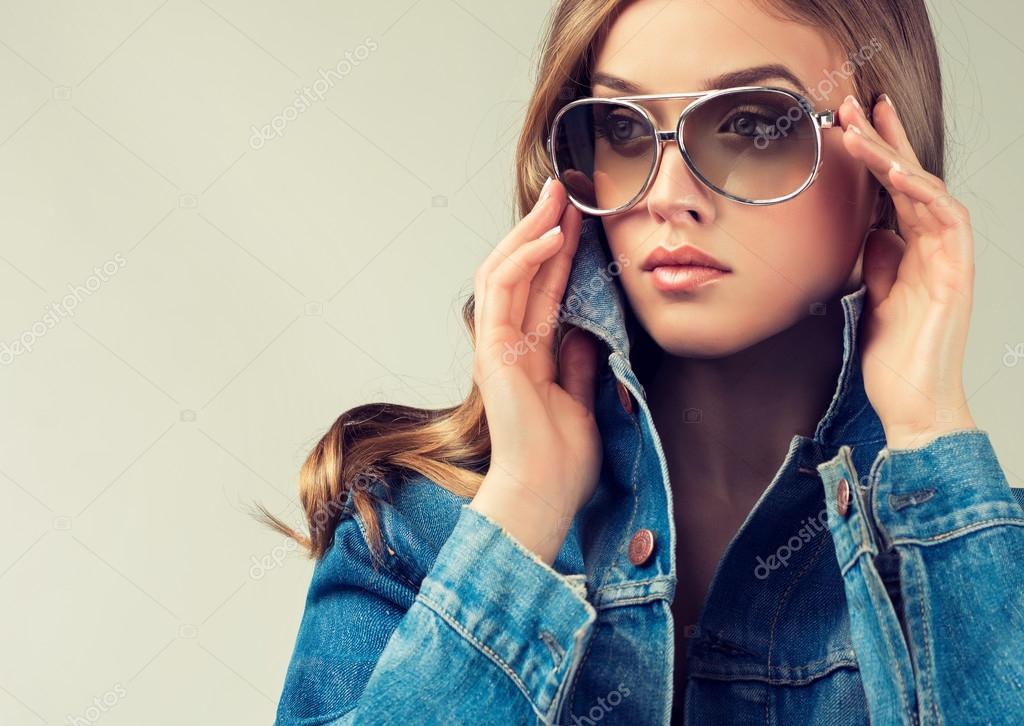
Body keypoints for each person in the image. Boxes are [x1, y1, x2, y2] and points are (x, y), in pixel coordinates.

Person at [264, 0, 1024, 723]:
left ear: (887, 159)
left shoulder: (982, 554)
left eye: (754, 124)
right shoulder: (411, 532)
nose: (668, 196)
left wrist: (931, 429)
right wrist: (525, 510)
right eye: (625, 128)